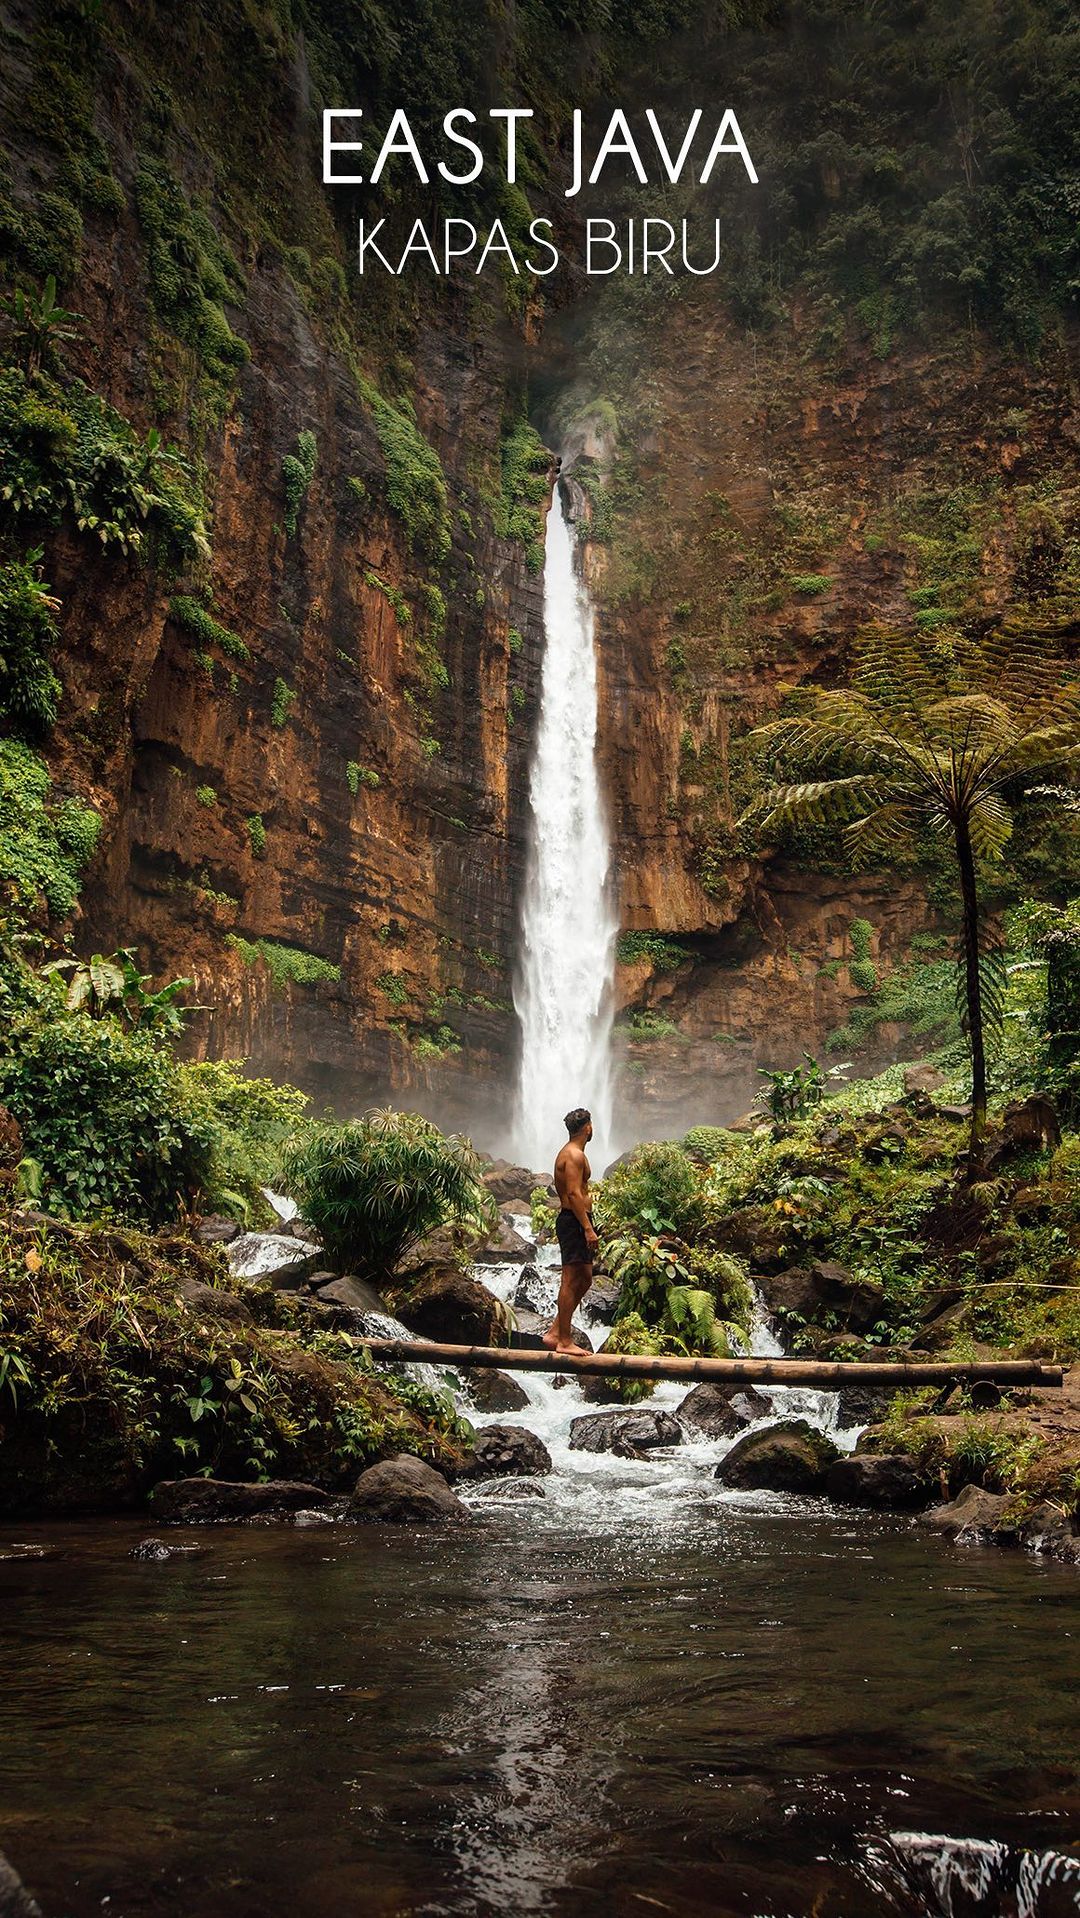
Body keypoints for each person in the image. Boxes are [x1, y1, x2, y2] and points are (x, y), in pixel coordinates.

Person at [544, 1107, 599, 1355]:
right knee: (570, 1278)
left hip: (578, 1219)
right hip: (573, 1220)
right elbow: (575, 1193)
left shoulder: (573, 1153)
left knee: (585, 1278)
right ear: (587, 1127)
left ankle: (556, 1330)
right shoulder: (574, 1155)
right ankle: (564, 1341)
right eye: (592, 1125)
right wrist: (587, 1228)